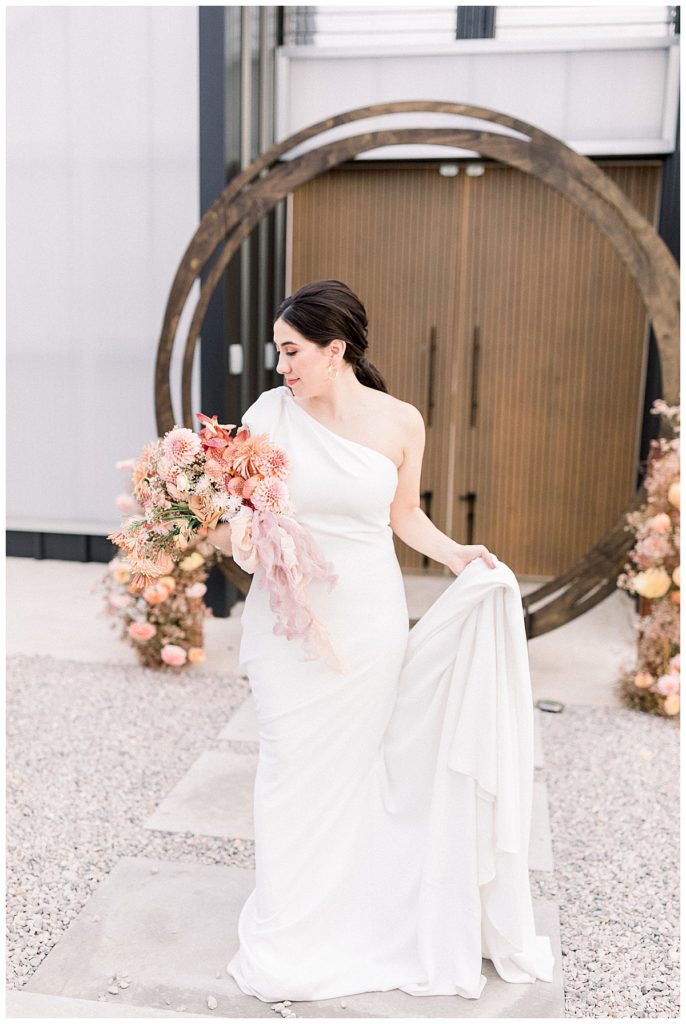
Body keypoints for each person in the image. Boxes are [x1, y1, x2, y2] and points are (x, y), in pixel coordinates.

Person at [210, 279, 555, 1003]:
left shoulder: (401, 422)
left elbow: (404, 514)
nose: (282, 367)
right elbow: (232, 514)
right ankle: (289, 927)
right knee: (287, 768)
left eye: (293, 352)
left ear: (336, 351)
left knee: (356, 771)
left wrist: (457, 553)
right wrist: (229, 531)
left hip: (366, 619)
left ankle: (348, 915)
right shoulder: (265, 416)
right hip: (286, 621)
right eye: (279, 352)